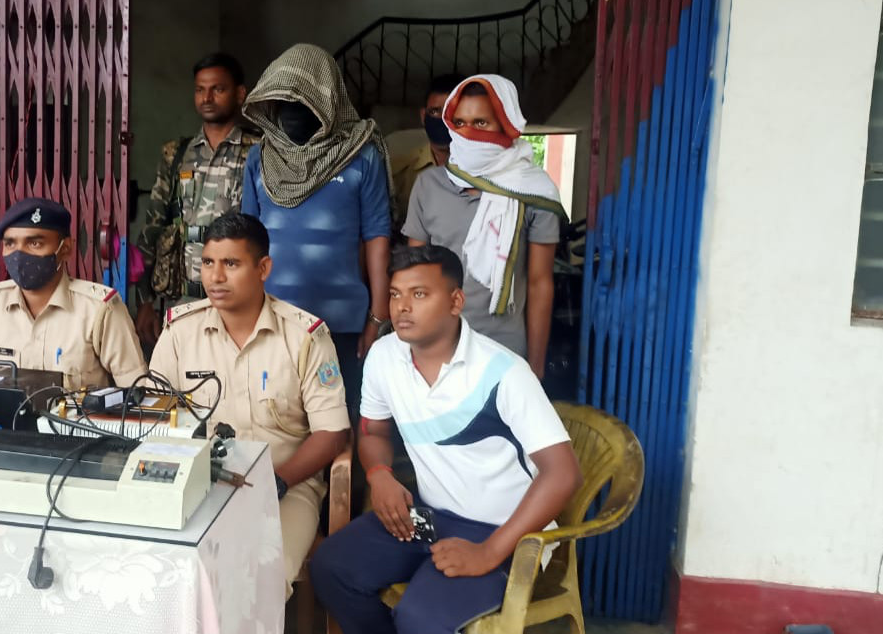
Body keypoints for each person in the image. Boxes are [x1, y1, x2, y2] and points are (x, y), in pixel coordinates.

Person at [309, 245, 581, 634]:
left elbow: (563, 474)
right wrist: (380, 474)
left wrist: (490, 551)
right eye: (395, 294)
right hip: (431, 517)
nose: (402, 307)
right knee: (332, 568)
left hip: (504, 530)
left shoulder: (503, 372)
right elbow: (373, 430)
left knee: (421, 619)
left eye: (419, 294)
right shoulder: (384, 356)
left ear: (455, 302)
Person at [149, 212, 350, 588]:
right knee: (162, 568)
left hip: (285, 485)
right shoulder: (180, 331)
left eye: (231, 264)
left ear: (263, 268)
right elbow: (154, 417)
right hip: (198, 483)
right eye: (208, 262)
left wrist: (278, 481)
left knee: (258, 577)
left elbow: (332, 432)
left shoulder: (304, 336)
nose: (215, 277)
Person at [240, 42, 392, 420]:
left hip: (342, 321)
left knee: (337, 421)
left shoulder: (361, 154)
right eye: (284, 101)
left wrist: (377, 315)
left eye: (304, 102)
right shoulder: (260, 157)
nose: (293, 112)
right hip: (271, 318)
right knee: (274, 420)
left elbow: (377, 235)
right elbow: (246, 241)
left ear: (328, 101)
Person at [402, 74, 564, 377]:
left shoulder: (534, 191)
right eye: (459, 123)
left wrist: (535, 367)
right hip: (438, 348)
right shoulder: (429, 185)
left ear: (506, 124)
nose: (468, 133)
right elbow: (414, 275)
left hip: (504, 354)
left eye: (480, 123)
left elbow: (540, 283)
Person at [135, 53, 260, 346]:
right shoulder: (177, 154)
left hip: (239, 301)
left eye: (218, 89)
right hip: (182, 302)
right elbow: (153, 227)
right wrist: (144, 301)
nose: (207, 98)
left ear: (240, 94)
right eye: (200, 89)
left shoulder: (258, 150)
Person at [0, 197, 148, 390]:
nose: (19, 254)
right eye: (10, 244)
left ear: (65, 249)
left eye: (35, 243)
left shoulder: (100, 311)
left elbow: (137, 391)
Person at [384, 74, 460, 228]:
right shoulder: (399, 173)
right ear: (423, 115)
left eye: (451, 112)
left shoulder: (485, 173)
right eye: (435, 112)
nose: (443, 120)